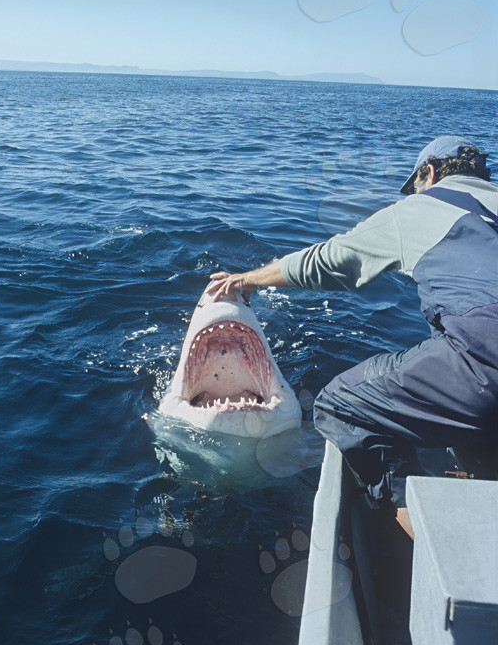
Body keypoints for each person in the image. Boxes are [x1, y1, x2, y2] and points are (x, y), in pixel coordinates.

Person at [209, 135, 498, 535]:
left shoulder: (425, 206)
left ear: (428, 174)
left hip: (485, 353)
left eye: (415, 184)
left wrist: (249, 279)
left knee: (340, 404)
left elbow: (329, 260)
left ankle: (434, 542)